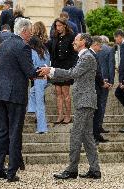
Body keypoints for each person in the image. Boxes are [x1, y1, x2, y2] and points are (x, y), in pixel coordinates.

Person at [39, 33, 101, 180]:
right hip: (85, 101)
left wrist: (52, 70)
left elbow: (72, 73)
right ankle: (95, 170)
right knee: (87, 136)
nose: (73, 42)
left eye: (76, 40)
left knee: (76, 135)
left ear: (84, 42)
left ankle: (72, 170)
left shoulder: (87, 57)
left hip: (85, 101)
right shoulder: (84, 56)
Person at [0, 18, 39, 182]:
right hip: (15, 95)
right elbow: (30, 71)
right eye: (30, 31)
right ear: (24, 31)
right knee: (14, 133)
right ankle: (11, 172)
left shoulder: (3, 44)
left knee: (1, 132)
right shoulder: (23, 46)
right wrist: (44, 71)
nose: (31, 34)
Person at [48, 18, 77, 124]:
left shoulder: (71, 37)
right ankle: (60, 115)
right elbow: (52, 52)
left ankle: (68, 116)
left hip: (66, 68)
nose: (58, 28)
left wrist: (72, 67)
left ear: (64, 25)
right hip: (56, 67)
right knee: (58, 92)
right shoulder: (54, 37)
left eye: (60, 25)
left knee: (65, 93)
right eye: (56, 26)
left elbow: (74, 54)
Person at [89, 36, 110, 144]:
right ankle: (95, 136)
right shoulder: (91, 55)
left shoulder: (91, 54)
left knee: (97, 111)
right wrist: (103, 83)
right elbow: (96, 73)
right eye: (100, 46)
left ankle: (96, 135)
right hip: (94, 88)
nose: (101, 49)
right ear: (95, 44)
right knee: (97, 112)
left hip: (94, 87)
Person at [27, 36, 50, 134]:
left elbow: (32, 65)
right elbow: (48, 63)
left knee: (40, 104)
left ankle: (42, 128)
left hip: (38, 78)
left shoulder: (33, 52)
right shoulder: (46, 51)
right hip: (46, 77)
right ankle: (31, 108)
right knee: (32, 91)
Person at [97, 35, 115, 128]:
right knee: (102, 103)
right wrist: (111, 81)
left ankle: (94, 126)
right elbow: (111, 66)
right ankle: (99, 125)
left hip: (95, 79)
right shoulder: (109, 49)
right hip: (105, 79)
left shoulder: (93, 48)